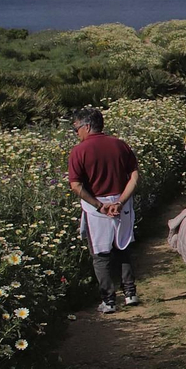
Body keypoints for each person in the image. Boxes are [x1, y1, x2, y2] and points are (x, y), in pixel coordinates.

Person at [67, 106, 140, 314]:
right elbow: (134, 176)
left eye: (76, 128)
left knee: (101, 254)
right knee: (123, 247)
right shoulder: (119, 145)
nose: (76, 133)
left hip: (96, 209)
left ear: (87, 126)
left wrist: (99, 205)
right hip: (121, 204)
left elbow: (76, 185)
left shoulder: (79, 151)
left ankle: (109, 301)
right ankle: (130, 293)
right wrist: (121, 202)